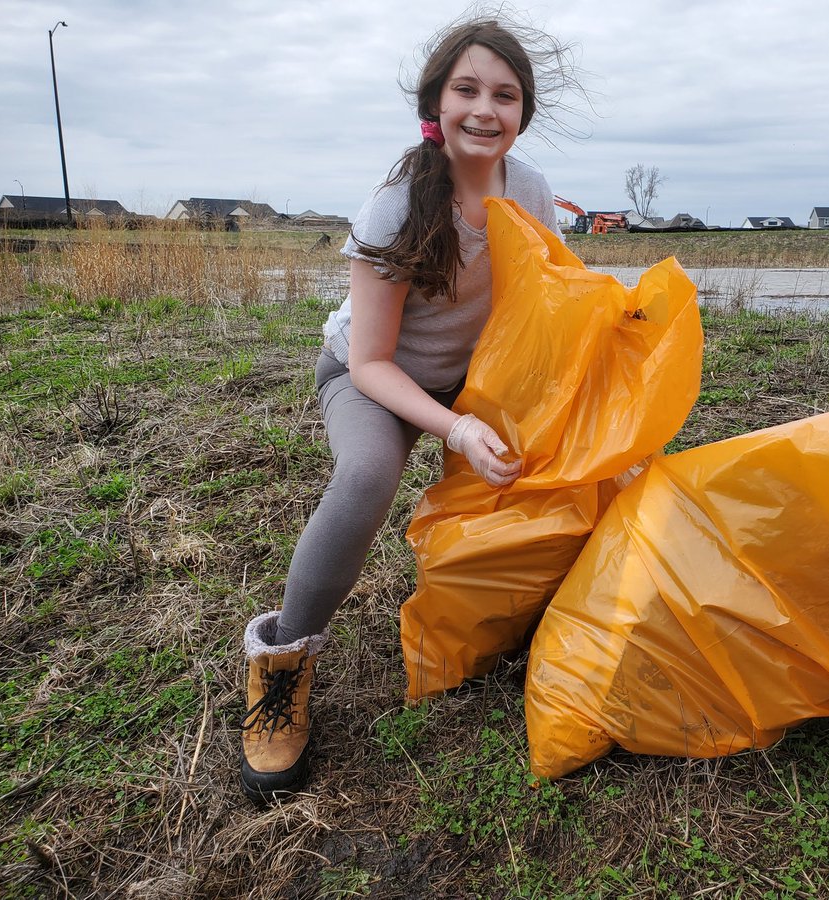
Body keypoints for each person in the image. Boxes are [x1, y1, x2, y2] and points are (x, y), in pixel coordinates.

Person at [238, 12, 578, 804]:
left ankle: (527, 615)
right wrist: (456, 426)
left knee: (568, 453)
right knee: (365, 478)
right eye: (467, 90)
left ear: (523, 112)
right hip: (376, 377)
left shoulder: (529, 190)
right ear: (435, 104)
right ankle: (280, 666)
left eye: (505, 95)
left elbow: (554, 294)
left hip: (473, 377)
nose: (485, 110)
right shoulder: (396, 207)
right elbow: (370, 360)